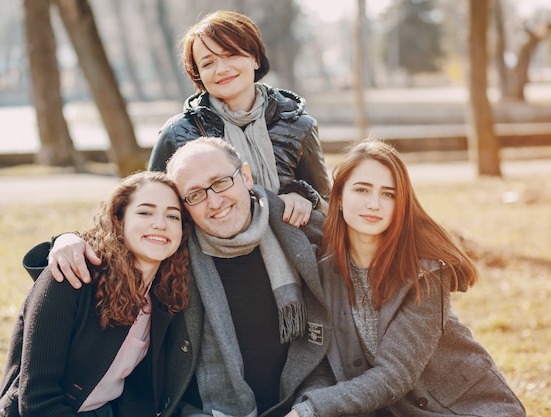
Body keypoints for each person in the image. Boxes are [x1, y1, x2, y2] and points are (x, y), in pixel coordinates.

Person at [40, 137, 334, 417]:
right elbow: (121, 237)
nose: (215, 201)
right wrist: (66, 239)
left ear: (245, 176)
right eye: (195, 194)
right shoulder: (173, 255)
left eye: (221, 182)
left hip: (301, 403)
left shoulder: (298, 229)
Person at [288, 139, 525, 417]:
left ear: (401, 204)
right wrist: (306, 406)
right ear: (338, 197)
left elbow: (395, 375)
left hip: (465, 408)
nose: (373, 204)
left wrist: (313, 409)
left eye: (388, 194)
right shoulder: (323, 273)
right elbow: (320, 365)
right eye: (362, 190)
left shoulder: (425, 271)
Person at [0, 171, 190, 417]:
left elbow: (136, 389)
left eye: (173, 215)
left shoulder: (164, 295)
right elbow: (37, 401)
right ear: (119, 219)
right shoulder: (70, 277)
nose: (161, 223)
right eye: (145, 212)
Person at [149, 10, 331, 227]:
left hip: (291, 251)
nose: (222, 69)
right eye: (208, 63)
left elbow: (327, 203)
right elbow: (151, 204)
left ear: (255, 58)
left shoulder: (299, 125)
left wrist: (303, 196)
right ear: (198, 75)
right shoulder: (177, 134)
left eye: (231, 55)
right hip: (210, 256)